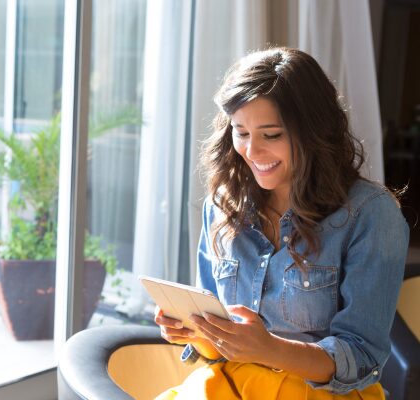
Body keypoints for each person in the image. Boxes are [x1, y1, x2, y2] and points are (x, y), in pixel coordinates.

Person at [154, 47, 409, 400]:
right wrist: (197, 331)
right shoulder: (223, 206)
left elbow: (363, 357)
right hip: (228, 387)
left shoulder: (371, 215)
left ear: (313, 132)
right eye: (240, 132)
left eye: (271, 135)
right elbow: (220, 346)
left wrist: (269, 348)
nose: (252, 152)